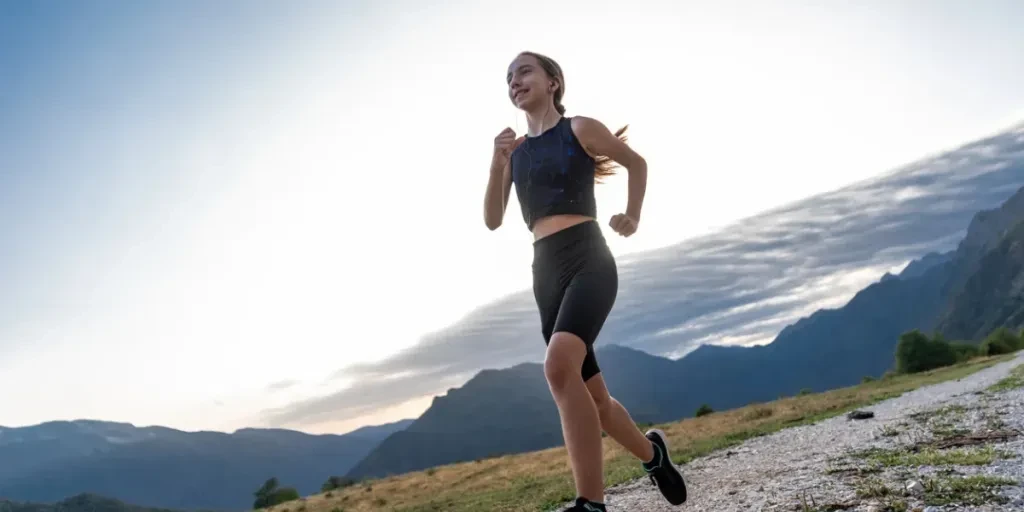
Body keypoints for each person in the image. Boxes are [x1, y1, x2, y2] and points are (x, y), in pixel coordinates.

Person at [482, 51, 688, 511]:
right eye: (508, 78)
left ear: (553, 81)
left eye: (524, 71)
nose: (515, 81)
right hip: (545, 274)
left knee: (558, 368)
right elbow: (493, 219)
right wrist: (496, 164)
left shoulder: (579, 129)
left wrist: (633, 216)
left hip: (589, 260)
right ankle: (654, 457)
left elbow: (637, 163)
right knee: (596, 401)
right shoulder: (513, 156)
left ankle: (590, 504)